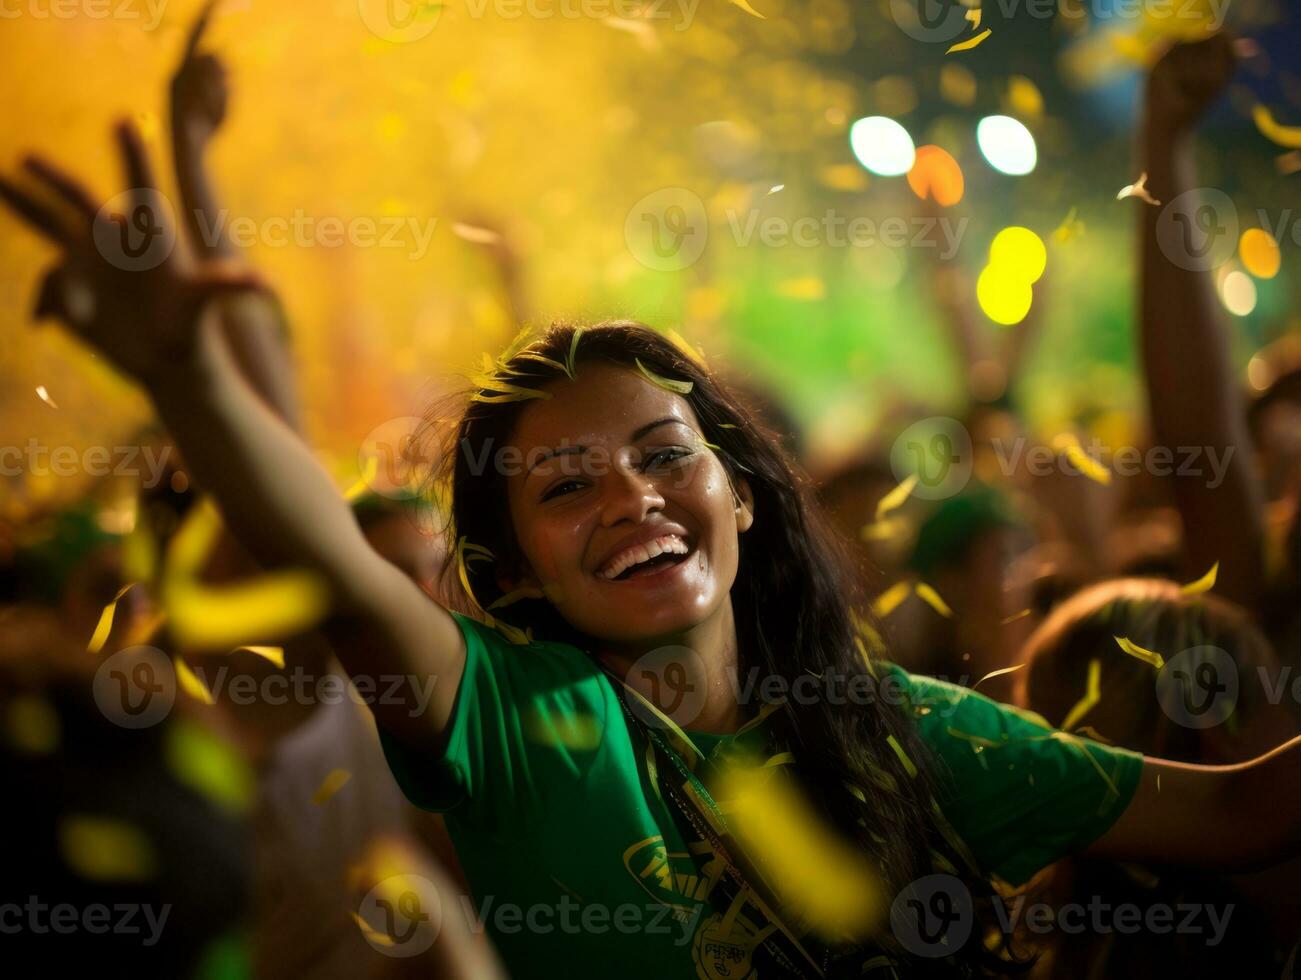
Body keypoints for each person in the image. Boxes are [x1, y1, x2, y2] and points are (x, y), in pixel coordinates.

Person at [5, 93, 1301, 980]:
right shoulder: (521, 720)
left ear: (740, 496)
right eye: (566, 487)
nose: (629, 497)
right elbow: (331, 565)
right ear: (507, 569)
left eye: (664, 458)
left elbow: (1245, 809)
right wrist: (192, 382)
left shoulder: (911, 731)